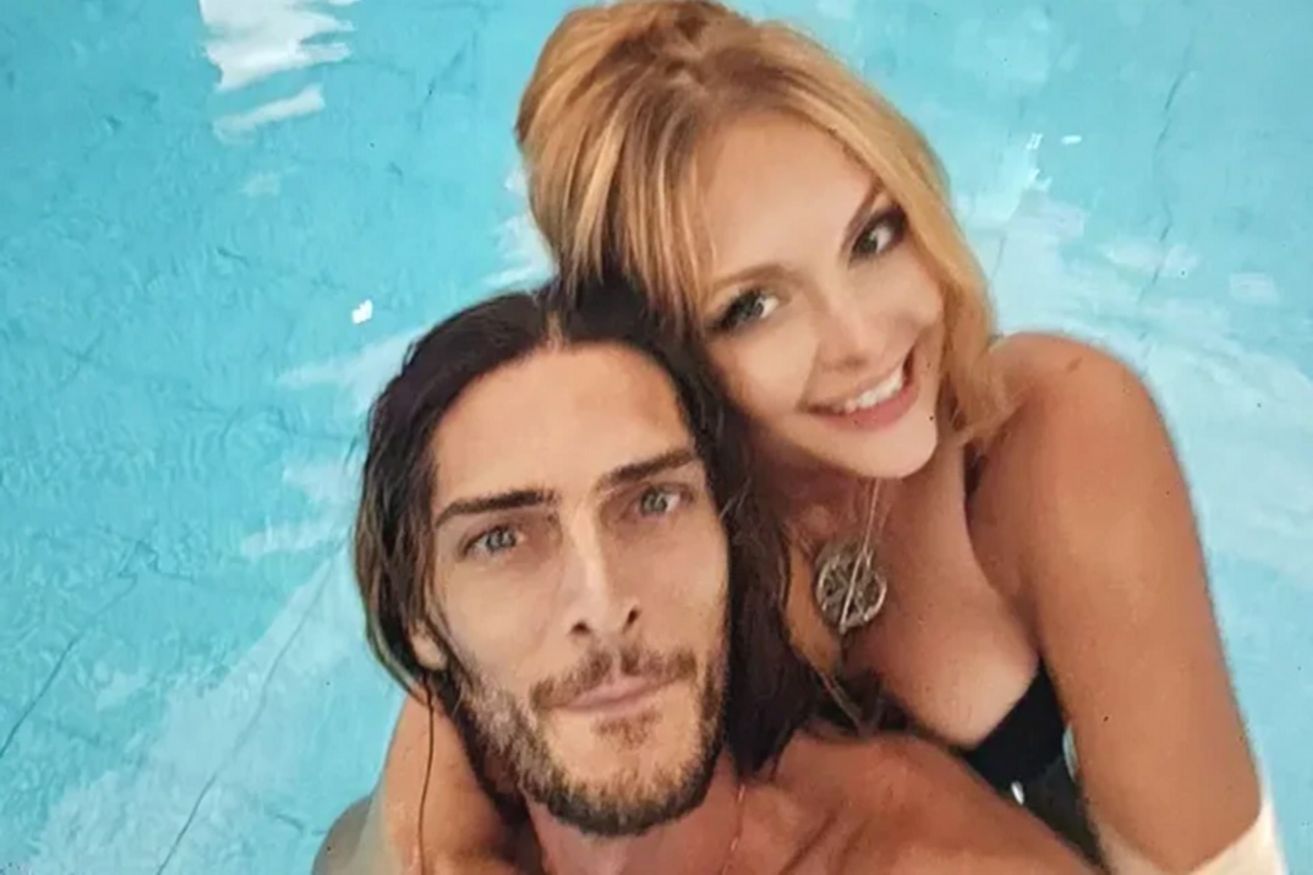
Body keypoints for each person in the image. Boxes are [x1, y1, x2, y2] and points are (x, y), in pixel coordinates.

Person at [369, 2, 1288, 873]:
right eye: (753, 306)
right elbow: (440, 773)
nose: (862, 339)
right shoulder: (639, 505)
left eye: (872, 238)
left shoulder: (1044, 439)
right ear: (659, 349)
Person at [317, 283, 1094, 873]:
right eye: (501, 539)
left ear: (730, 540)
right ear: (421, 618)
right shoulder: (417, 827)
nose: (601, 602)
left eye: (652, 502)